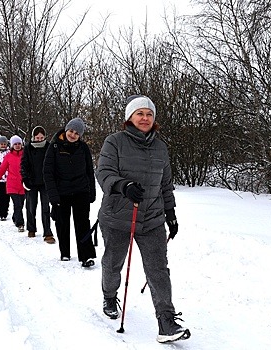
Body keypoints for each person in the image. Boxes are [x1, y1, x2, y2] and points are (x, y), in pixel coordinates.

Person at [95, 95, 190, 343]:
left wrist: (170, 213)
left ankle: (166, 322)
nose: (145, 118)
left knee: (158, 269)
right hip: (118, 216)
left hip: (152, 218)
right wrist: (123, 186)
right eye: (140, 113)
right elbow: (104, 173)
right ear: (130, 117)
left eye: (149, 114)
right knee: (113, 263)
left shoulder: (161, 147)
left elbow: (165, 184)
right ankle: (109, 295)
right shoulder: (114, 142)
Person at [43, 117, 96, 267]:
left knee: (83, 224)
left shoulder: (83, 148)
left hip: (81, 191)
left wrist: (91, 191)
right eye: (71, 131)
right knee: (62, 223)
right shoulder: (54, 147)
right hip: (61, 193)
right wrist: (53, 196)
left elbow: (89, 171)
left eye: (77, 133)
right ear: (66, 130)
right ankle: (65, 252)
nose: (73, 135)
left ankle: (86, 256)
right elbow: (48, 173)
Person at [20, 126, 56, 244]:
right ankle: (31, 228)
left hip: (45, 182)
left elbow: (53, 163)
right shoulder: (28, 148)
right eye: (37, 137)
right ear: (33, 137)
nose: (39, 139)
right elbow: (24, 165)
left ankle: (47, 232)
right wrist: (25, 179)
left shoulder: (49, 147)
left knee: (46, 207)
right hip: (32, 182)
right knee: (31, 206)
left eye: (41, 137)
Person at [0, 135, 26, 232]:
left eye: (19, 144)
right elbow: (1, 170)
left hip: (23, 185)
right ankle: (20, 224)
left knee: (21, 204)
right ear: (11, 145)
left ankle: (16, 217)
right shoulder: (8, 156)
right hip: (12, 185)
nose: (18, 146)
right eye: (15, 144)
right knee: (17, 204)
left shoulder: (25, 155)